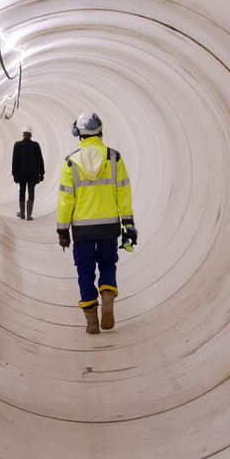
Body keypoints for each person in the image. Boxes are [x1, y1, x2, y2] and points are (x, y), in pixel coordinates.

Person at [56, 112, 138, 334]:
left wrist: (62, 229)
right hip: (109, 226)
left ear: (79, 134)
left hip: (82, 229)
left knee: (85, 272)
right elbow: (123, 193)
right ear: (100, 131)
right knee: (107, 265)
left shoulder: (70, 162)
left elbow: (66, 199)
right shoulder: (115, 158)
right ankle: (108, 298)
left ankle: (92, 321)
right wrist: (128, 224)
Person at [11, 126, 45, 220]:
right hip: (33, 174)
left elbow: (15, 161)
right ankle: (29, 215)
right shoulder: (35, 145)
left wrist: (14, 174)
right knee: (31, 191)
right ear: (31, 135)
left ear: (23, 135)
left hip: (21, 174)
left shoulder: (17, 145)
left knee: (22, 191)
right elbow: (40, 160)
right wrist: (41, 173)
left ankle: (22, 213)